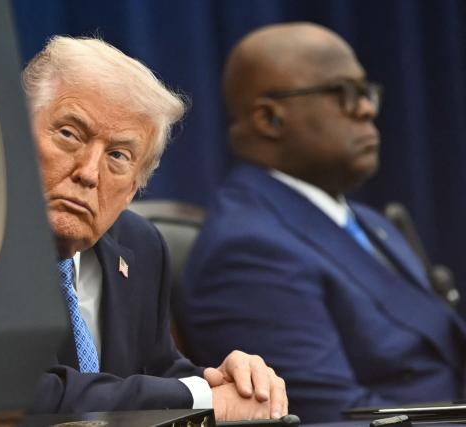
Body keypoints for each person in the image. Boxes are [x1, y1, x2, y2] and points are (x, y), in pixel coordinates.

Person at [176, 23, 466, 423]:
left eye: (366, 93)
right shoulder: (248, 250)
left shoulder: (368, 222)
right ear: (269, 119)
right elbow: (336, 418)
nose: (365, 109)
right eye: (342, 93)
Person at [21, 36, 288, 421]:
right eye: (70, 134)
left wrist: (225, 385)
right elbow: (31, 396)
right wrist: (201, 396)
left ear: (135, 186)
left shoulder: (140, 244)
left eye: (118, 156)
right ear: (15, 134)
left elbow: (158, 370)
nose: (89, 173)